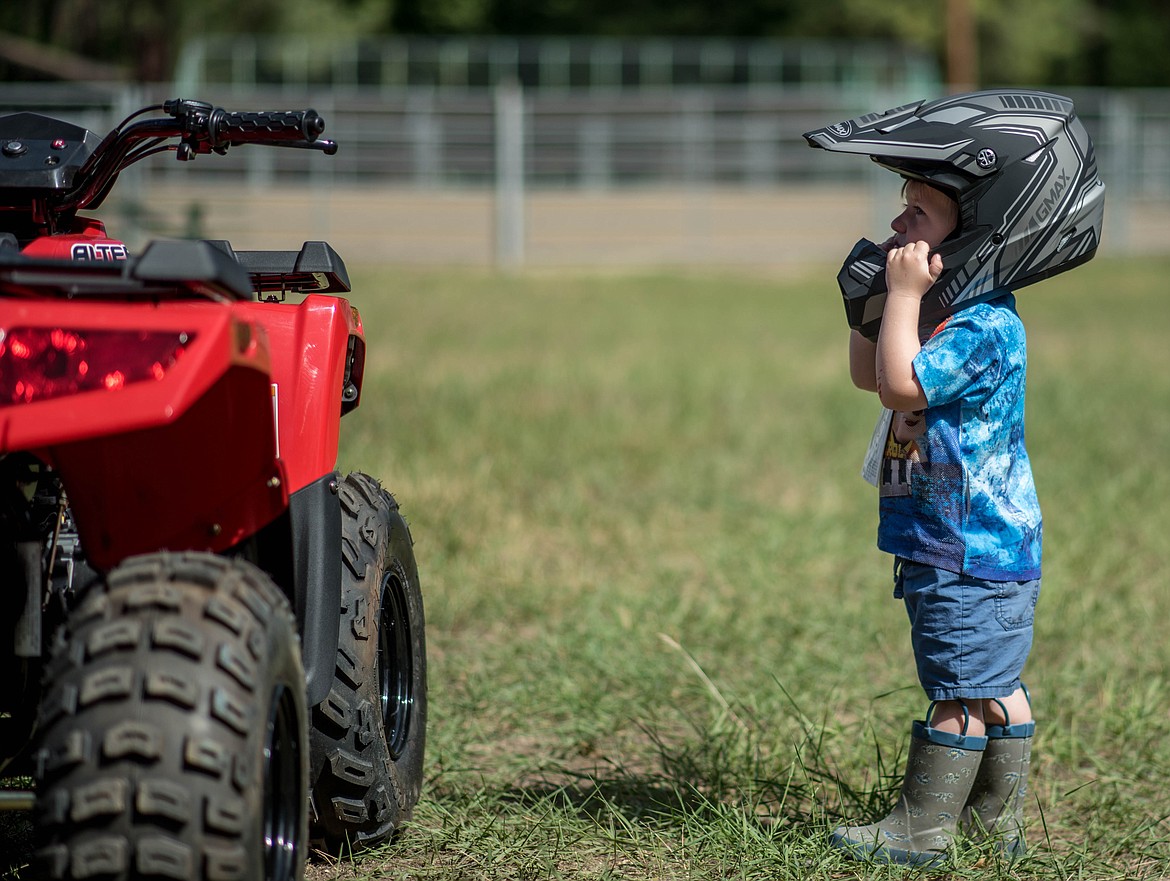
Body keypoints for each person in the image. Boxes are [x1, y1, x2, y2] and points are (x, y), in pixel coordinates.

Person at [802, 91, 1106, 866]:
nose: (900, 227)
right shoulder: (951, 317)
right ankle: (991, 824)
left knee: (959, 691)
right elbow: (873, 377)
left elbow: (904, 388)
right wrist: (871, 309)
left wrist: (903, 296)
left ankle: (922, 828)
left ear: (980, 233)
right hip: (967, 543)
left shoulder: (983, 325)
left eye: (920, 216)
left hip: (964, 549)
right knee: (992, 681)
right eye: (903, 211)